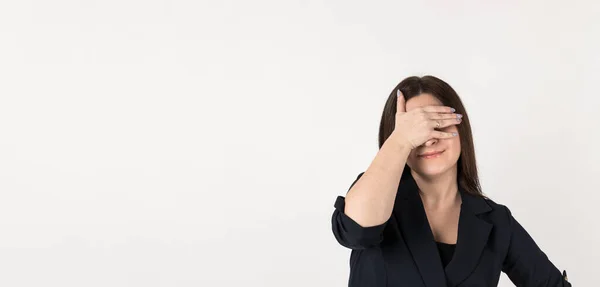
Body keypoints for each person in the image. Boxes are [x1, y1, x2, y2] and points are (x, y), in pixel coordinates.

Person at [330, 75, 571, 287]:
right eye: (416, 129)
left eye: (437, 124)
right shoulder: (376, 197)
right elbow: (355, 231)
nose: (429, 139)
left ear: (460, 126)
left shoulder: (496, 222)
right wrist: (401, 140)